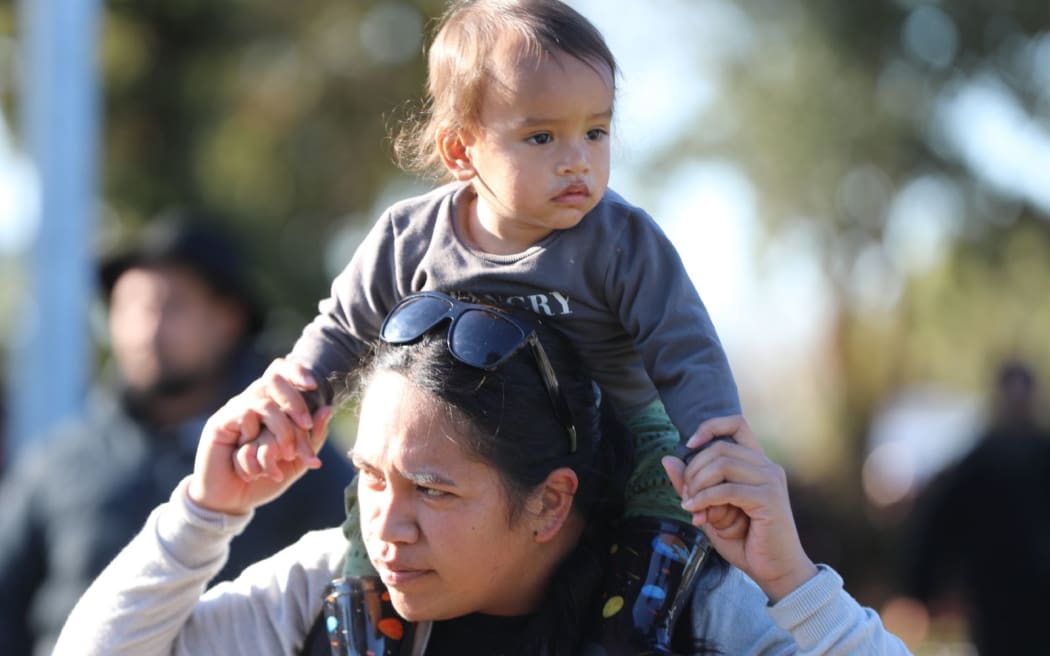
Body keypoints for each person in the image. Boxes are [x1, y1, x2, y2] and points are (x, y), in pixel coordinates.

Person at [241, 2, 740, 648]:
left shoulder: (623, 242)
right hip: (480, 447)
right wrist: (297, 393)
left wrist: (720, 447)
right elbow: (341, 329)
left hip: (617, 422)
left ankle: (636, 613)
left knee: (664, 480)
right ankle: (369, 622)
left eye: (596, 132)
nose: (577, 162)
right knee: (365, 507)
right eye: (542, 137)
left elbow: (687, 354)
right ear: (460, 148)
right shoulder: (410, 238)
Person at [52, 291, 910, 655]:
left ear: (549, 505)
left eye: (434, 490)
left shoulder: (692, 612)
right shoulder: (329, 589)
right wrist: (205, 511)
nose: (388, 526)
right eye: (374, 478)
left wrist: (796, 584)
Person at [0, 213, 355, 656]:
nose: (146, 330)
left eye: (170, 306)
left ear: (228, 318)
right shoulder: (58, 463)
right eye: (128, 306)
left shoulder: (300, 455)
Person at [899, 360, 1050, 655]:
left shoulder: (979, 460)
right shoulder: (978, 462)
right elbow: (937, 525)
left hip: (1005, 599)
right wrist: (921, 588)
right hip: (997, 597)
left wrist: (920, 587)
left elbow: (934, 525)